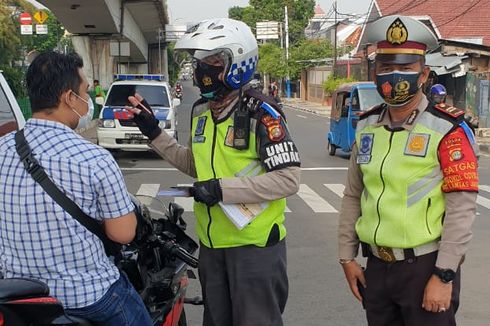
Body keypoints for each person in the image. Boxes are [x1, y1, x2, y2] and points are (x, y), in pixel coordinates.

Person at [128, 18, 301, 326]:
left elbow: (288, 179)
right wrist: (153, 132)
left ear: (237, 62)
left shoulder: (261, 113)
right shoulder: (202, 114)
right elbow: (195, 165)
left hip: (254, 249)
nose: (202, 70)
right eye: (200, 62)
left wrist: (222, 190)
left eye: (212, 62)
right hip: (212, 247)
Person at [338, 15, 478, 326]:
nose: (394, 76)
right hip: (376, 267)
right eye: (386, 68)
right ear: (375, 73)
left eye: (405, 67)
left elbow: (461, 208)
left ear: (424, 73)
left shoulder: (447, 128)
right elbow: (353, 195)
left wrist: (444, 275)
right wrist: (347, 257)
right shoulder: (366, 126)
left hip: (425, 267)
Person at [0, 52, 152, 325]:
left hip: (19, 301)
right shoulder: (94, 158)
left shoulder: (2, 149)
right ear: (69, 98)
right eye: (85, 92)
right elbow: (123, 234)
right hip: (89, 297)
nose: (88, 101)